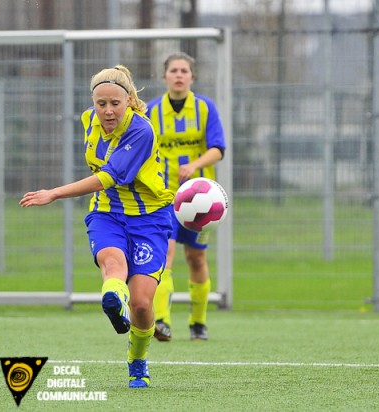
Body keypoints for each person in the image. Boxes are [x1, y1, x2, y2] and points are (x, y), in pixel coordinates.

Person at [20, 65, 174, 388]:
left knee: (143, 304)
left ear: (130, 100)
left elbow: (108, 177)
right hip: (108, 212)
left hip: (150, 219)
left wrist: (54, 193)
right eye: (100, 103)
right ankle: (113, 303)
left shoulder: (141, 131)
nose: (106, 111)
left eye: (115, 103)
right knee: (113, 264)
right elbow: (105, 188)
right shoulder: (88, 120)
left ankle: (137, 358)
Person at [146, 52, 226, 342]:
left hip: (201, 200)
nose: (179, 75)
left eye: (184, 70)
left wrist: (193, 166)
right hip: (163, 197)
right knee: (165, 256)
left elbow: (218, 149)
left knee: (196, 258)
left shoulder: (205, 108)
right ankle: (163, 322)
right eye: (173, 70)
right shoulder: (152, 111)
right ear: (164, 76)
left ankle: (198, 322)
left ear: (192, 76)